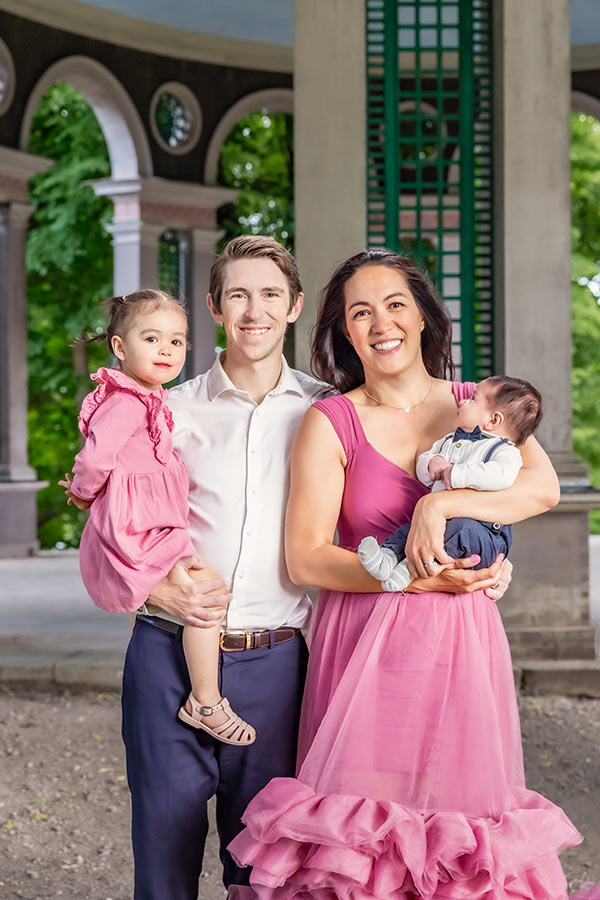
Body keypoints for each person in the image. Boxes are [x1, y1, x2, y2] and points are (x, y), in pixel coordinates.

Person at [229, 250, 582, 900]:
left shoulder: (478, 403)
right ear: (344, 330)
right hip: (363, 647)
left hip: (460, 647)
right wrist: (416, 578)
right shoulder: (330, 421)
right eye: (360, 312)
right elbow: (305, 558)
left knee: (457, 833)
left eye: (394, 304)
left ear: (422, 316)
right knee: (363, 839)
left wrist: (443, 505)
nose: (380, 322)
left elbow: (543, 490)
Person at [60, 289, 256, 746]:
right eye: (152, 339)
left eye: (177, 341)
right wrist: (84, 494)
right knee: (205, 596)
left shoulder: (152, 398)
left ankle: (169, 681)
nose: (166, 350)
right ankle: (206, 702)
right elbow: (94, 458)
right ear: (121, 347)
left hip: (153, 517)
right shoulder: (126, 402)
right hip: (140, 521)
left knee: (185, 596)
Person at [358, 375, 542, 591]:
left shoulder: (504, 451)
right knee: (413, 531)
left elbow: (502, 476)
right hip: (440, 524)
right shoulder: (450, 440)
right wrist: (432, 463)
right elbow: (424, 466)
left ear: (493, 420)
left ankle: (409, 569)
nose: (463, 401)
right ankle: (386, 557)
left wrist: (457, 473)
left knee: (459, 529)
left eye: (473, 399)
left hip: (483, 530)